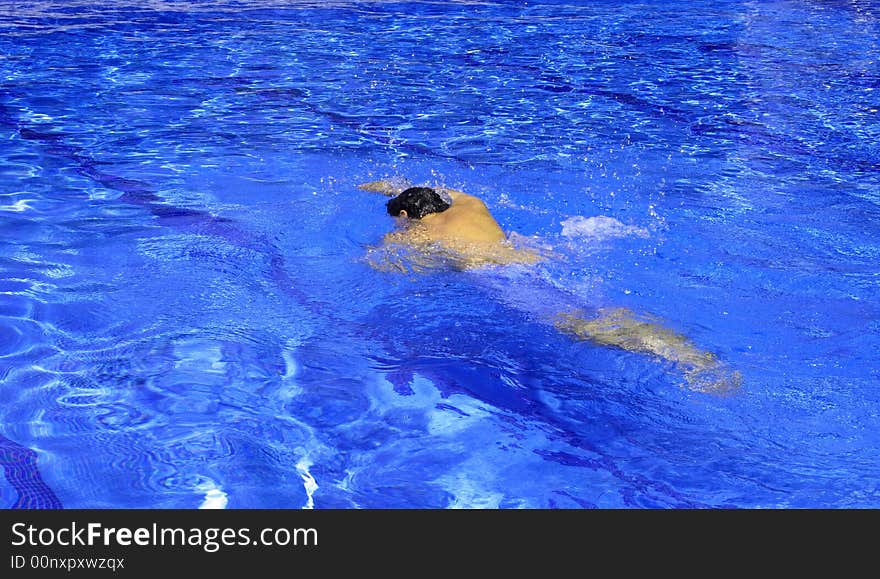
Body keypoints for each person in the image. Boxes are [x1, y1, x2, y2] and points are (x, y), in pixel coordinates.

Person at [358, 178, 741, 394]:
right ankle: (680, 350)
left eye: (400, 220)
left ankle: (692, 361)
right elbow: (438, 187)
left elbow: (384, 265)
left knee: (583, 326)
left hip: (505, 280)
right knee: (595, 313)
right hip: (534, 258)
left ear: (407, 215)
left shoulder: (415, 236)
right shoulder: (470, 205)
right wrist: (392, 188)